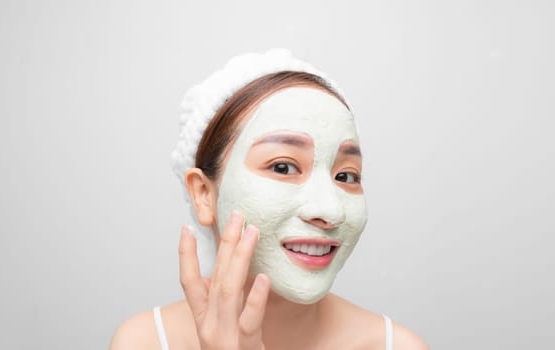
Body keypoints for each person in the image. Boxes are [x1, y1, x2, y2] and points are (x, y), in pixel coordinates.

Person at [109, 49, 428, 349]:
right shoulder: (142, 341)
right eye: (283, 167)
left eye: (345, 176)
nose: (330, 211)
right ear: (204, 194)